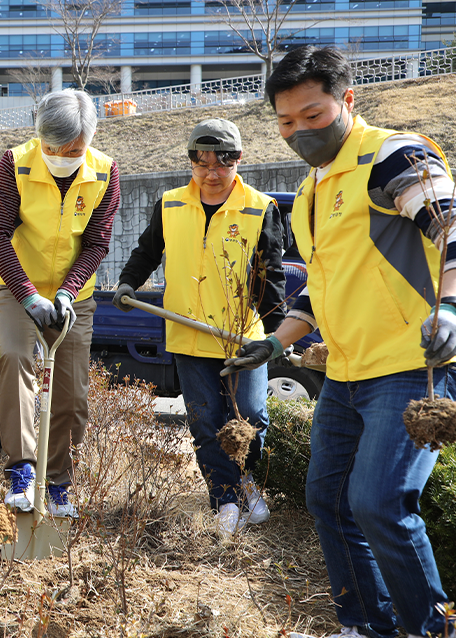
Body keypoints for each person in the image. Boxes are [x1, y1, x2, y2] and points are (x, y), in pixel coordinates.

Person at [223, 46, 456, 638]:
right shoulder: (309, 193)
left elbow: (452, 229)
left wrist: (451, 306)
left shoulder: (392, 156)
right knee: (327, 500)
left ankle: (430, 628)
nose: (299, 131)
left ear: (346, 101)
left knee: (380, 504)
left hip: (410, 365)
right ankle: (366, 625)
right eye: (286, 122)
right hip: (346, 374)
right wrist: (276, 344)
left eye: (314, 115)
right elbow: (318, 290)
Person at [112, 118, 286, 539]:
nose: (211, 173)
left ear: (238, 161)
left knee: (252, 420)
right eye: (202, 163)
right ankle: (225, 499)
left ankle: (244, 481)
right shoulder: (170, 203)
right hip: (189, 337)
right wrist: (127, 282)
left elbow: (271, 277)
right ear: (192, 161)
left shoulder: (260, 207)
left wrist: (277, 335)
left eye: (221, 164)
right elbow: (147, 250)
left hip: (243, 338)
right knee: (206, 424)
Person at [0, 88, 120, 518]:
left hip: (73, 295)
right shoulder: (16, 164)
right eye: (52, 148)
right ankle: (22, 472)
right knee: (17, 360)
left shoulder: (104, 172)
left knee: (71, 396)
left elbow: (97, 242)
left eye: (73, 149)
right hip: (16, 287)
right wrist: (28, 295)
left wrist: (65, 292)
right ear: (38, 137)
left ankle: (58, 481)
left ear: (90, 140)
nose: (62, 155)